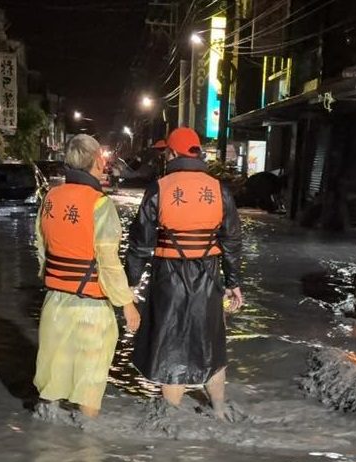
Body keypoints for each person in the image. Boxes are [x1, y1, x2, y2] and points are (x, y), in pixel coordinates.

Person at [125, 127, 243, 420]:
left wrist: (129, 284)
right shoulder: (219, 189)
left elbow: (140, 244)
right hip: (208, 276)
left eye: (166, 151)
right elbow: (232, 241)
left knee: (171, 344)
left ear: (173, 153)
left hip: (169, 277)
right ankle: (218, 410)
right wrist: (234, 283)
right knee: (212, 343)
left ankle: (171, 418)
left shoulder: (160, 188)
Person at [34, 134, 140, 420]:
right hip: (90, 309)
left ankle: (45, 445)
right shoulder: (99, 205)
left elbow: (41, 248)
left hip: (54, 304)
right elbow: (108, 261)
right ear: (97, 161)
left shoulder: (50, 198)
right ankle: (87, 449)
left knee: (52, 377)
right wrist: (126, 303)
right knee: (90, 382)